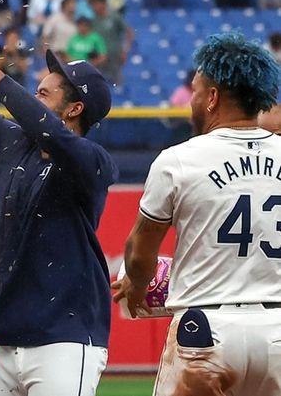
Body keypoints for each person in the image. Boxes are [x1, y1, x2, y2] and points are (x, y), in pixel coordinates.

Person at [0, 38, 118, 396]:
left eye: (45, 95)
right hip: (9, 341)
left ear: (75, 109)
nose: (35, 100)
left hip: (64, 339)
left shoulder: (92, 162)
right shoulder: (13, 143)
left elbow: (50, 131)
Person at [113, 32, 281, 396]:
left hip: (207, 330)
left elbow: (139, 254)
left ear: (213, 97)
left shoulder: (179, 160)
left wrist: (138, 286)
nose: (192, 98)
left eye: (196, 90)